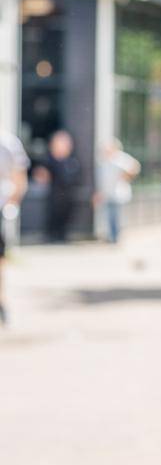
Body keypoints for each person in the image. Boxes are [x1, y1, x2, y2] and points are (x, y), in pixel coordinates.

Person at [0, 128, 30, 326]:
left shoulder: (7, 142)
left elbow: (20, 180)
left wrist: (11, 203)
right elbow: (20, 180)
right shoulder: (8, 141)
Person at [33, 129, 82, 243]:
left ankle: (62, 235)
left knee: (66, 215)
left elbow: (77, 177)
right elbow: (40, 175)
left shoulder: (72, 161)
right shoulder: (48, 159)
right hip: (54, 194)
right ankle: (51, 235)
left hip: (68, 194)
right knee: (53, 214)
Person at [94, 137, 141, 244]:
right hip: (107, 194)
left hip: (118, 194)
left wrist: (125, 177)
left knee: (116, 216)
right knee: (107, 216)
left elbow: (135, 167)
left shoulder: (121, 159)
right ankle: (110, 236)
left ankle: (115, 237)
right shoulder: (103, 161)